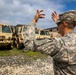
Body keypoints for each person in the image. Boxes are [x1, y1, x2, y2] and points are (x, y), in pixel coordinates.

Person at [23, 10, 76, 75]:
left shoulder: (59, 44)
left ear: (64, 24)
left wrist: (34, 21)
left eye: (58, 24)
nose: (57, 27)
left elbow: (29, 44)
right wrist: (58, 22)